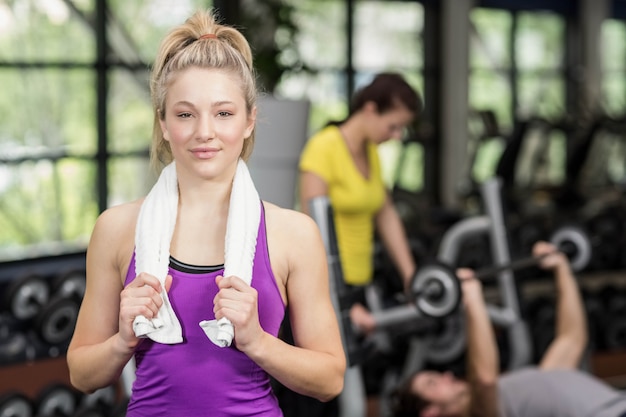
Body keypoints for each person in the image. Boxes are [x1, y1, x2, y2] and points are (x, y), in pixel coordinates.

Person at [66, 9, 345, 417]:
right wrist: (123, 339)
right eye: (184, 114)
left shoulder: (292, 234)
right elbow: (81, 373)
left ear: (250, 120)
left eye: (224, 113)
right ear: (162, 123)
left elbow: (330, 380)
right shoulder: (117, 229)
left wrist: (257, 341)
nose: (204, 132)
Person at [391, 241, 626, 417]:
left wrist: (561, 269)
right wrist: (473, 301)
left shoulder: (516, 391)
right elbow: (484, 379)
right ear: (430, 413)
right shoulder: (479, 412)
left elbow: (571, 340)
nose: (447, 376)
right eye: (433, 383)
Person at [299, 72, 423, 335]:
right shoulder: (324, 148)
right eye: (393, 126)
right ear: (370, 109)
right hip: (327, 287)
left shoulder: (371, 153)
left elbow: (386, 214)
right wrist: (338, 300)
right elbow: (310, 232)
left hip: (360, 284)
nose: (398, 135)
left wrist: (411, 277)